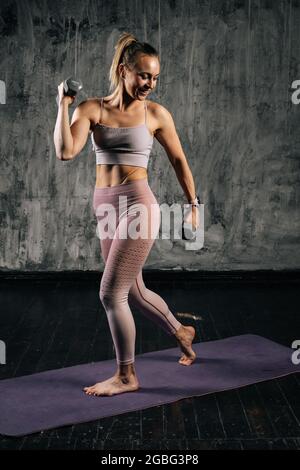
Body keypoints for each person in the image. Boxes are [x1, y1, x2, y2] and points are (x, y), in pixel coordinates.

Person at [54, 32, 200, 397]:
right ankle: (181, 332)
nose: (150, 84)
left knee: (110, 293)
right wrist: (62, 104)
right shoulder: (90, 109)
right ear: (124, 71)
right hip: (105, 204)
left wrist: (193, 206)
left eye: (155, 78)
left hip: (139, 204)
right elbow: (65, 152)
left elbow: (179, 160)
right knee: (133, 291)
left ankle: (126, 376)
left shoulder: (155, 114)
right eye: (144, 76)